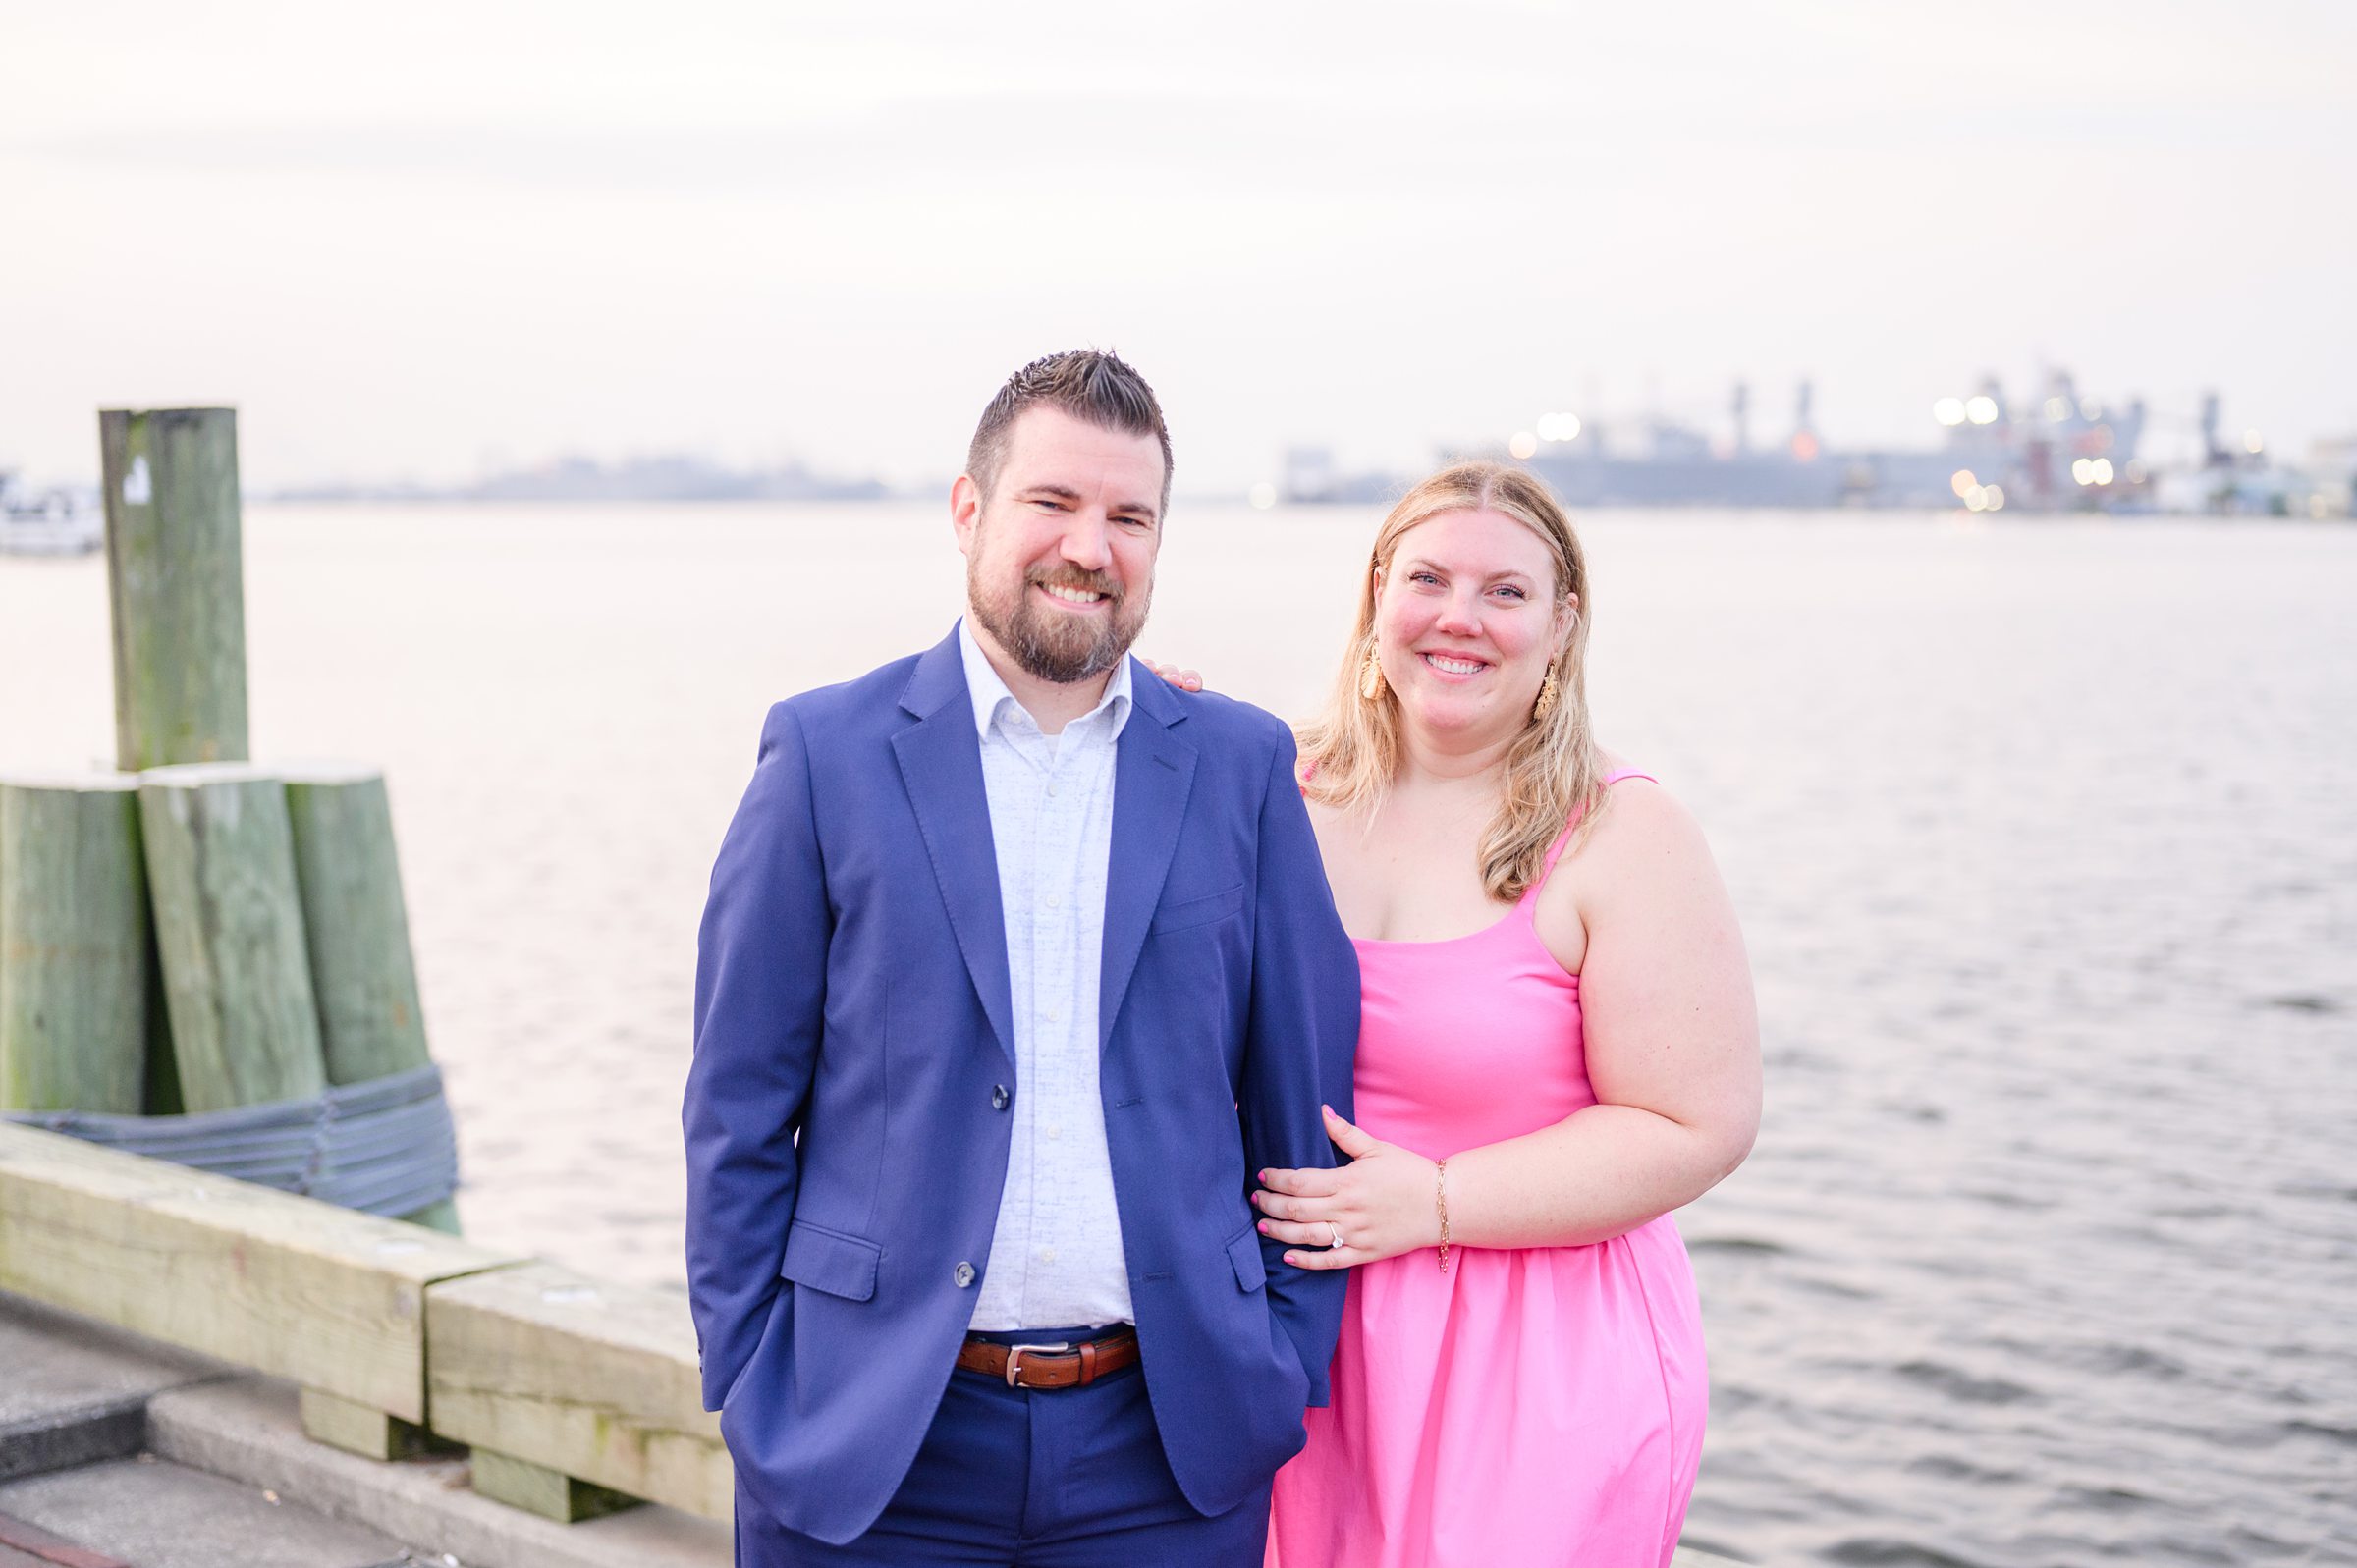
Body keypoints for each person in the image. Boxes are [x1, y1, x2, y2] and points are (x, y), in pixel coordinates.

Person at [683, 350, 1360, 1566]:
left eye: (1129, 516)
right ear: (969, 511)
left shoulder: (1240, 766)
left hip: (1167, 1451)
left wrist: (1279, 1359)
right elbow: (736, 1105)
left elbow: (1298, 1107)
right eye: (1054, 502)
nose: (1090, 546)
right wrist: (749, 1372)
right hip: (870, 1443)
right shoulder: (826, 753)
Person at [1154, 461, 1760, 1567]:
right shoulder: (1266, 787)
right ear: (1378, 592)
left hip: (1534, 1360)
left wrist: (1434, 1200)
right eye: (1427, 577)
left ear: (1563, 624)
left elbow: (1698, 1124)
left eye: (1506, 592)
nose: (1458, 619)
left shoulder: (1622, 836)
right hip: (1299, 1348)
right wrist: (1133, 729)